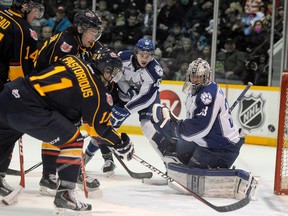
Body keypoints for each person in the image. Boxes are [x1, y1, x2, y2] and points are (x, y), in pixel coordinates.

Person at [0, 47, 134, 211]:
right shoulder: (97, 91)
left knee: (6, 137)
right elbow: (98, 129)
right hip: (31, 109)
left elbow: (59, 90)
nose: (114, 78)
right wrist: (120, 142)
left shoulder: (73, 59)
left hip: (11, 93)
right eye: (113, 72)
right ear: (105, 69)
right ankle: (65, 194)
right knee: (74, 140)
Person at [150, 58, 257, 200]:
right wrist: (175, 124)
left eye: (200, 76)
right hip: (208, 141)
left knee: (191, 172)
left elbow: (198, 129)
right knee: (178, 152)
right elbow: (193, 123)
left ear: (206, 77)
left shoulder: (208, 95)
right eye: (193, 76)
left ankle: (242, 179)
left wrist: (172, 129)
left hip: (221, 148)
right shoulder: (194, 90)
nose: (195, 79)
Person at [34, 9, 104, 195]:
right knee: (57, 130)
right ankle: (49, 175)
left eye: (97, 33)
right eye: (93, 32)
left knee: (71, 132)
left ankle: (68, 172)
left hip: (53, 90)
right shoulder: (67, 43)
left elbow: (97, 55)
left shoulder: (80, 42)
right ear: (81, 28)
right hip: (41, 90)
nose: (95, 36)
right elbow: (55, 74)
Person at [83, 38, 164, 173]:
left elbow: (145, 98)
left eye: (148, 55)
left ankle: (167, 162)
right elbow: (118, 77)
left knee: (150, 128)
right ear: (136, 52)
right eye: (142, 55)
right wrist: (128, 91)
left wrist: (126, 110)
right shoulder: (123, 57)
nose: (145, 58)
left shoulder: (155, 71)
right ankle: (89, 156)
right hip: (121, 97)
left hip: (147, 103)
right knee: (105, 125)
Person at [0, 0, 45, 196]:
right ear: (25, 7)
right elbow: (17, 68)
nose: (36, 15)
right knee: (9, 130)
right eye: (35, 10)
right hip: (3, 88)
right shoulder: (23, 30)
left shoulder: (1, 15)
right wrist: (21, 94)